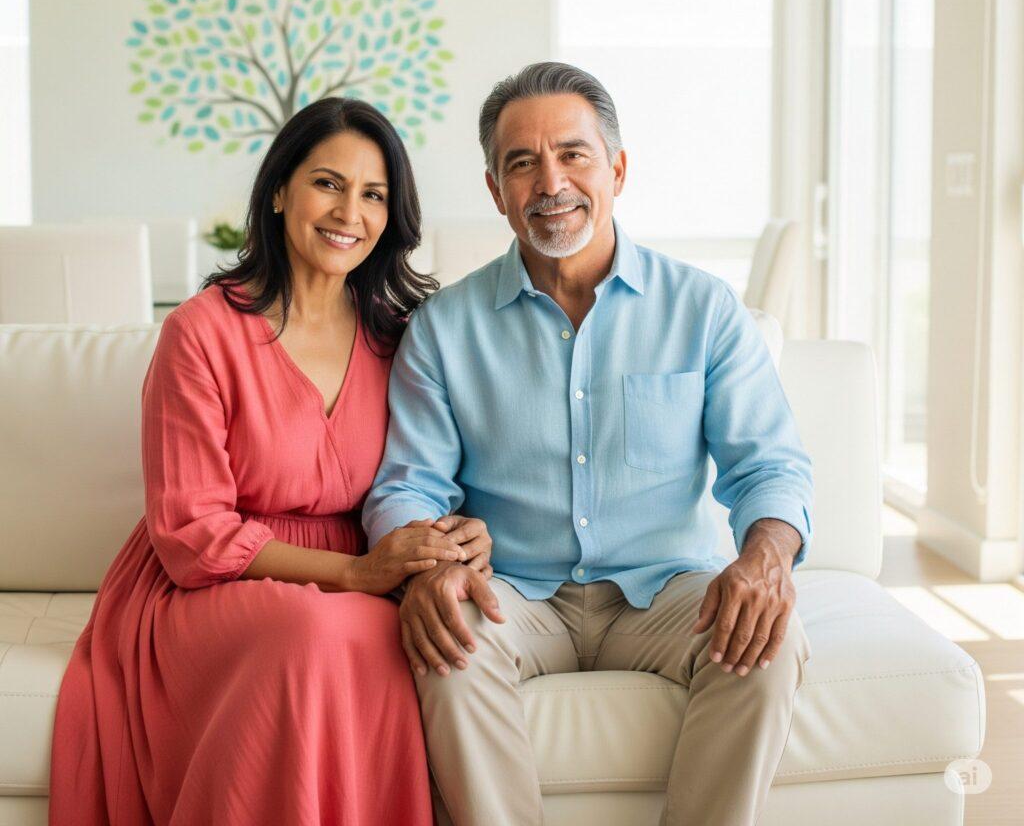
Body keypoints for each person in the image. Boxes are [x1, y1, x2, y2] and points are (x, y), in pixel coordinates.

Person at [362, 61, 815, 826]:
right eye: (521, 163)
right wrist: (428, 560)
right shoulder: (444, 327)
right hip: (515, 591)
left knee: (768, 642)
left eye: (572, 154)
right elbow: (408, 484)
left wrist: (764, 559)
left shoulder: (702, 310)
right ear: (495, 190)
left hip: (668, 590)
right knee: (447, 640)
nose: (550, 182)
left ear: (617, 169)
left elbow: (768, 465)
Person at [49, 97, 492, 825]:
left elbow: (438, 476)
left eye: (373, 194)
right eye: (328, 182)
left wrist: (466, 533)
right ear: (280, 190)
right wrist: (353, 574)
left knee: (385, 636)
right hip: (207, 587)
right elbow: (192, 535)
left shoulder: (401, 338)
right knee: (318, 634)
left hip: (359, 580)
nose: (349, 210)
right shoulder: (200, 332)